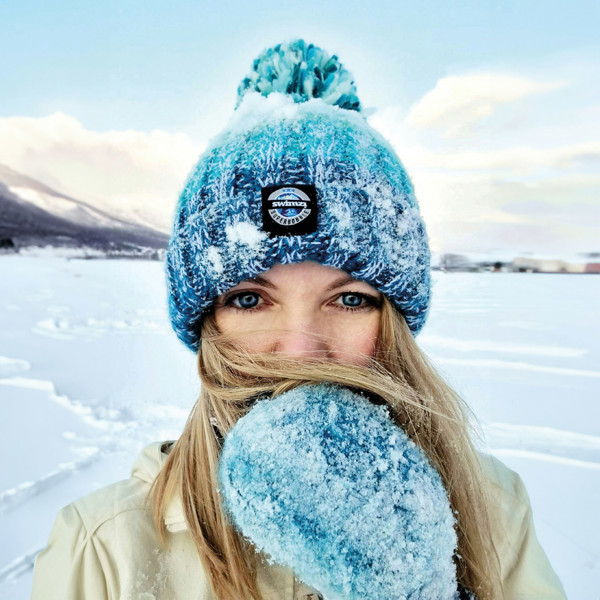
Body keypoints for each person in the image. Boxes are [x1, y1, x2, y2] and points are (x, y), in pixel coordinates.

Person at [30, 38, 567, 600]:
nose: (301, 351)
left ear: (394, 324)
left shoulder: (492, 510)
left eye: (350, 299)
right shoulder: (104, 548)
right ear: (208, 322)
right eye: (250, 299)